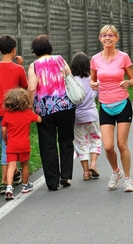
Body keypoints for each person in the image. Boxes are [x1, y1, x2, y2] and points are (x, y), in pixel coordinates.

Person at [90, 24, 133, 192]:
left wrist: (128, 83)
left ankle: (128, 179)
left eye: (111, 35)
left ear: (117, 38)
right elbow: (92, 80)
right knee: (108, 146)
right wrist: (93, 84)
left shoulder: (123, 57)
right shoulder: (95, 59)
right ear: (100, 39)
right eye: (104, 35)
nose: (107, 38)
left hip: (122, 104)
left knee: (121, 144)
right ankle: (116, 172)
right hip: (105, 106)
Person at [28, 34, 76, 191]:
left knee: (47, 144)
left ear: (35, 50)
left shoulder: (34, 65)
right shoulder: (60, 60)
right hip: (65, 107)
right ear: (50, 47)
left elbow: (32, 87)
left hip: (45, 110)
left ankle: (52, 182)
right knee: (66, 141)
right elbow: (69, 77)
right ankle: (66, 176)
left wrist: (30, 106)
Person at [0, 34, 28, 194]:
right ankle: (11, 175)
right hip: (14, 113)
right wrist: (20, 65)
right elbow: (24, 87)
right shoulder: (18, 69)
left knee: (5, 144)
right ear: (14, 49)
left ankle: (5, 180)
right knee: (7, 145)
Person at [1, 88, 42, 200]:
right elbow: (39, 120)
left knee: (11, 166)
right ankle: (25, 185)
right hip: (24, 144)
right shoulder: (27, 113)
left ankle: (9, 187)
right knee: (24, 165)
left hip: (12, 145)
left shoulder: (7, 115)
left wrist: (5, 140)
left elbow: (4, 130)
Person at [69, 52, 101, 180]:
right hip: (92, 115)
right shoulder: (93, 81)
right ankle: (93, 164)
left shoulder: (71, 82)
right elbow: (99, 97)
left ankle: (86, 172)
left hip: (77, 117)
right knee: (95, 140)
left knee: (81, 143)